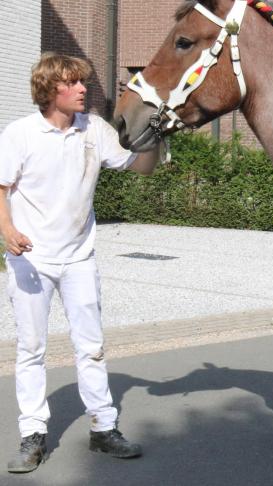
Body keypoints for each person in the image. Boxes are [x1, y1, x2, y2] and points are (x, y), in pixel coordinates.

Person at [0, 53, 159, 473]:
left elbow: (138, 168)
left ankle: (103, 428)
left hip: (79, 258)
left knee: (91, 347)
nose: (84, 89)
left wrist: (155, 138)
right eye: (74, 83)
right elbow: (1, 187)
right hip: (30, 260)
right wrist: (7, 231)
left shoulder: (96, 130)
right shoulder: (19, 134)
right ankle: (33, 434)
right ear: (51, 89)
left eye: (83, 82)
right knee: (31, 349)